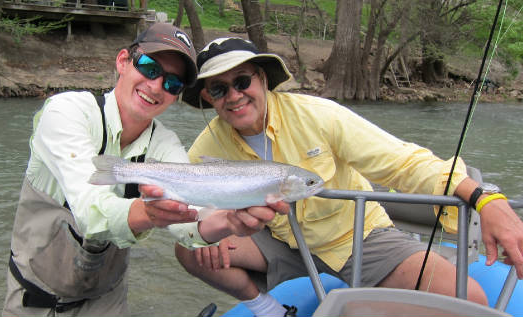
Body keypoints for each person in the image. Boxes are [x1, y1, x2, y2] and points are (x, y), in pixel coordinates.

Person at [175, 37, 523, 317]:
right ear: (207, 97)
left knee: (472, 304)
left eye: (241, 81)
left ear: (263, 79)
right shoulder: (207, 144)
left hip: (359, 238)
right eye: (219, 89)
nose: (234, 96)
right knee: (188, 249)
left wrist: (484, 198)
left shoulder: (320, 115)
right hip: (282, 241)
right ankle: (268, 309)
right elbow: (191, 208)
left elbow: (404, 162)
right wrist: (205, 229)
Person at [2, 25, 286, 316]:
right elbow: (87, 210)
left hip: (107, 299)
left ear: (176, 96)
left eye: (173, 84)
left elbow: (190, 220)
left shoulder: (165, 144)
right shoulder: (67, 112)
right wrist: (146, 214)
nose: (156, 86)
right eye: (149, 68)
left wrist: (228, 221)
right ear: (123, 61)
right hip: (32, 298)